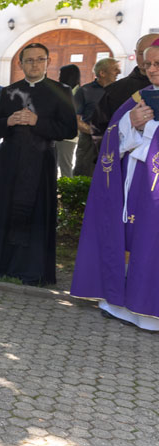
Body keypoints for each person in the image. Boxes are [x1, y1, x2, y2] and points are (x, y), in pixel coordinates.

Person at [71, 44, 159, 330]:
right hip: (133, 185)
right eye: (148, 64)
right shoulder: (140, 97)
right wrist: (130, 123)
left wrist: (147, 129)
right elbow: (111, 134)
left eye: (157, 64)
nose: (151, 69)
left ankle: (149, 309)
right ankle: (119, 303)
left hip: (153, 188)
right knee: (130, 238)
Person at [0, 43, 77, 286]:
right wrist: (9, 121)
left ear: (48, 62)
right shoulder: (9, 92)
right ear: (20, 64)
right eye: (29, 60)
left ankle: (31, 269)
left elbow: (69, 130)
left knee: (37, 214)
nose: (35, 64)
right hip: (10, 162)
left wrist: (36, 121)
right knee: (4, 211)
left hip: (41, 162)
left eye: (40, 59)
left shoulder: (61, 91)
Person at [91, 33, 158, 136]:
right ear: (135, 54)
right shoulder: (113, 90)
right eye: (142, 53)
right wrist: (128, 123)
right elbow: (100, 131)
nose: (147, 57)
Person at [74, 57, 120, 176]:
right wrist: (95, 132)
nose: (119, 72)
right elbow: (74, 119)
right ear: (102, 73)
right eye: (115, 69)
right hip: (89, 142)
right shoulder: (84, 90)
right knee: (84, 174)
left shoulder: (119, 90)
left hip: (115, 141)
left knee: (110, 176)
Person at [55, 64, 81, 178]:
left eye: (60, 75)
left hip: (68, 136)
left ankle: (68, 188)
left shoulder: (78, 92)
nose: (59, 78)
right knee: (53, 164)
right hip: (57, 133)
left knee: (65, 165)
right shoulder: (63, 91)